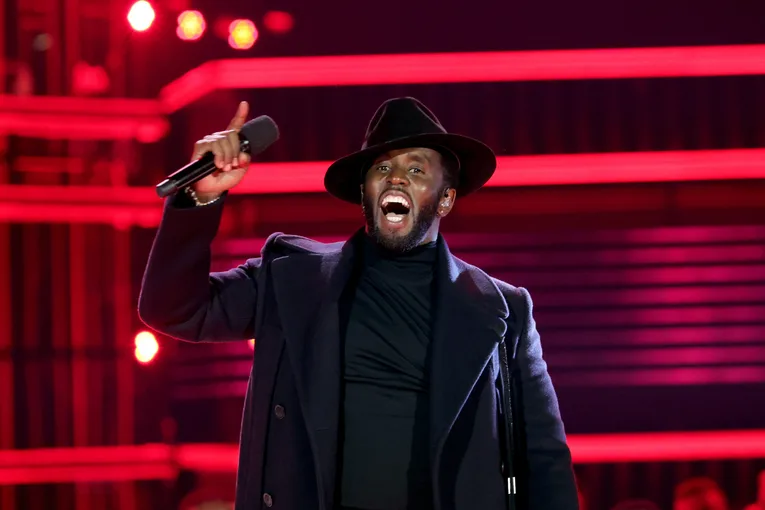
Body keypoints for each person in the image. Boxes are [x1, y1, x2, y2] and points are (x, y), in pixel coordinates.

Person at [139, 97, 578, 510]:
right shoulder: (291, 279)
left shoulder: (504, 309)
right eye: (382, 167)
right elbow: (174, 308)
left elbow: (544, 457)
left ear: (445, 198)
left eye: (416, 168)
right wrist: (201, 196)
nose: (396, 177)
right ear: (364, 191)